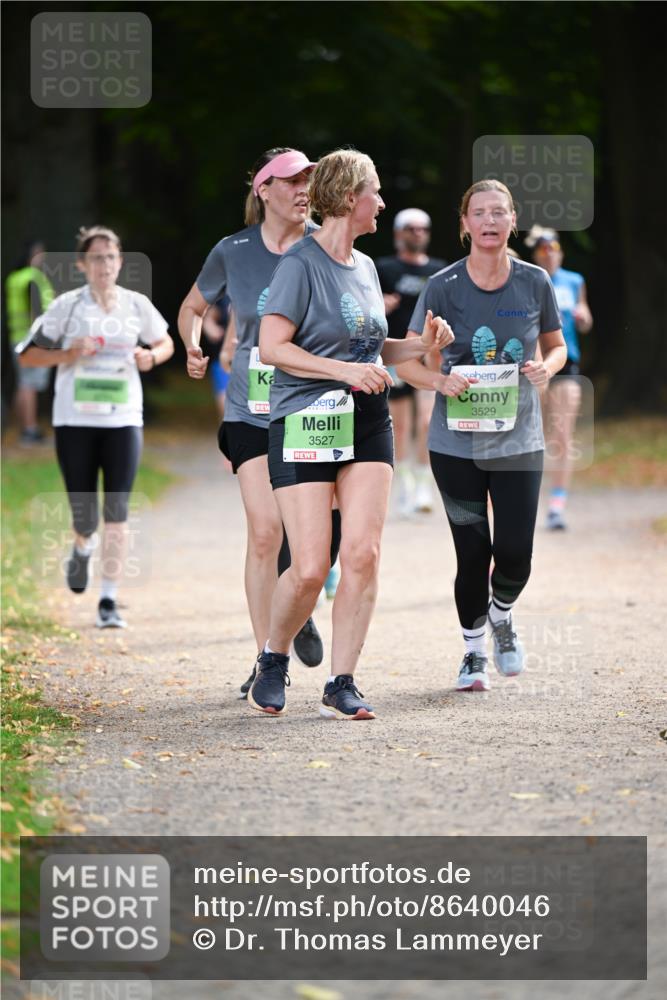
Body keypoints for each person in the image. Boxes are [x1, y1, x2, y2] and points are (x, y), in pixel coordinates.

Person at [251, 149, 452, 719]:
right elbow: (273, 347)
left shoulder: (365, 267)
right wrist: (342, 372)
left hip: (366, 420)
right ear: (347, 198)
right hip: (303, 420)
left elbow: (371, 349)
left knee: (362, 552)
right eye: (376, 192)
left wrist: (424, 348)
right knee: (312, 566)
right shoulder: (299, 264)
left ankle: (341, 682)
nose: (383, 203)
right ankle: (273, 656)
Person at [178, 148, 338, 695]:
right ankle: (267, 659)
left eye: (310, 181)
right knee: (266, 531)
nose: (304, 190)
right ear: (263, 190)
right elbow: (191, 308)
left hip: (313, 406)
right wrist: (194, 347)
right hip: (252, 408)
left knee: (313, 538)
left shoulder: (325, 244)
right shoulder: (233, 251)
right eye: (292, 181)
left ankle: (296, 601)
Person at [396, 179, 566, 692]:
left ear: (512, 221)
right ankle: (473, 654)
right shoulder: (442, 285)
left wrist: (547, 368)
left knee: (515, 552)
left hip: (518, 444)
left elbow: (555, 346)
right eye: (479, 213)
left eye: (499, 212)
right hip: (455, 447)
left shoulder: (535, 281)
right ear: (465, 224)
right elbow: (406, 360)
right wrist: (438, 377)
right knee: (472, 554)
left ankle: (503, 614)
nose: (489, 221)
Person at [17, 225, 174, 627]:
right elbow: (28, 357)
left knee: (117, 510)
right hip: (75, 421)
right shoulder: (67, 307)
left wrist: (151, 358)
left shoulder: (136, 305)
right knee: (85, 513)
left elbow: (165, 342)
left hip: (123, 420)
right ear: (82, 265)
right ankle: (82, 547)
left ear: (120, 262)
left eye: (110, 257)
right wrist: (68, 353)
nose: (104, 264)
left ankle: (107, 600)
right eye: (96, 258)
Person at [376, 209, 447, 515]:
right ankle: (403, 484)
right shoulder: (383, 268)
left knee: (428, 421)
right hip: (395, 352)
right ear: (398, 233)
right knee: (400, 427)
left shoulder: (439, 270)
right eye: (410, 228)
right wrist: (381, 306)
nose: (417, 233)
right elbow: (363, 310)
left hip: (429, 354)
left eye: (423, 228)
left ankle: (423, 484)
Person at [525, 226, 593, 530]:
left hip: (566, 363)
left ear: (560, 252)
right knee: (531, 434)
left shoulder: (575, 280)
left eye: (552, 249)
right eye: (542, 250)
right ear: (536, 255)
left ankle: (557, 504)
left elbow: (587, 320)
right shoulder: (528, 280)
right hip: (535, 365)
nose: (548, 254)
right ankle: (523, 499)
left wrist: (582, 315)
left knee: (563, 435)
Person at [5, 240, 55, 444]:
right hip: (30, 337)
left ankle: (23, 428)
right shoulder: (32, 277)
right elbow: (36, 308)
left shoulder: (14, 277)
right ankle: (30, 430)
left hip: (16, 335)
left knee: (22, 383)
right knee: (29, 384)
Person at [201, 294, 233, 419]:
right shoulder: (225, 298)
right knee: (225, 405)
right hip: (223, 360)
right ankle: (228, 436)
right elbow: (208, 319)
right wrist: (212, 329)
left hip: (251, 360)